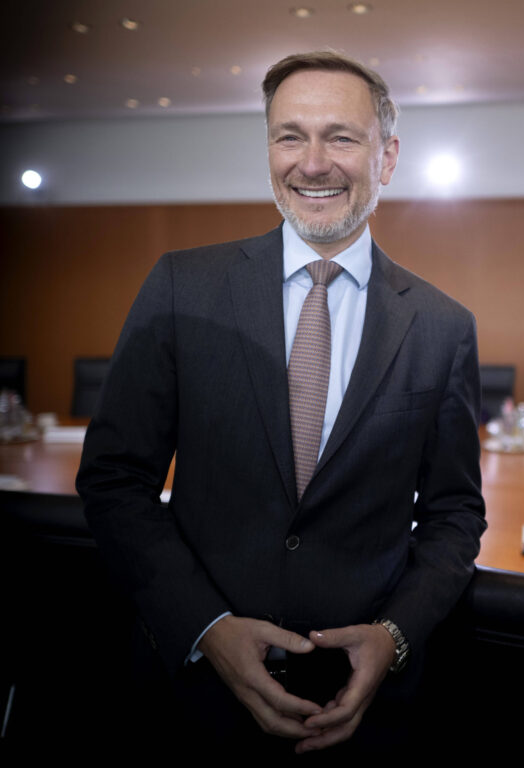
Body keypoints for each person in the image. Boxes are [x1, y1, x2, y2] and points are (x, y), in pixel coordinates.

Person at [77, 50, 486, 754]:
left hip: (359, 711)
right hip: (188, 698)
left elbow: (454, 514)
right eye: (289, 135)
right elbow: (115, 482)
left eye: (342, 137)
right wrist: (205, 627)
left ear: (387, 158)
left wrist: (395, 637)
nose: (313, 163)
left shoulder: (444, 327)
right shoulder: (182, 288)